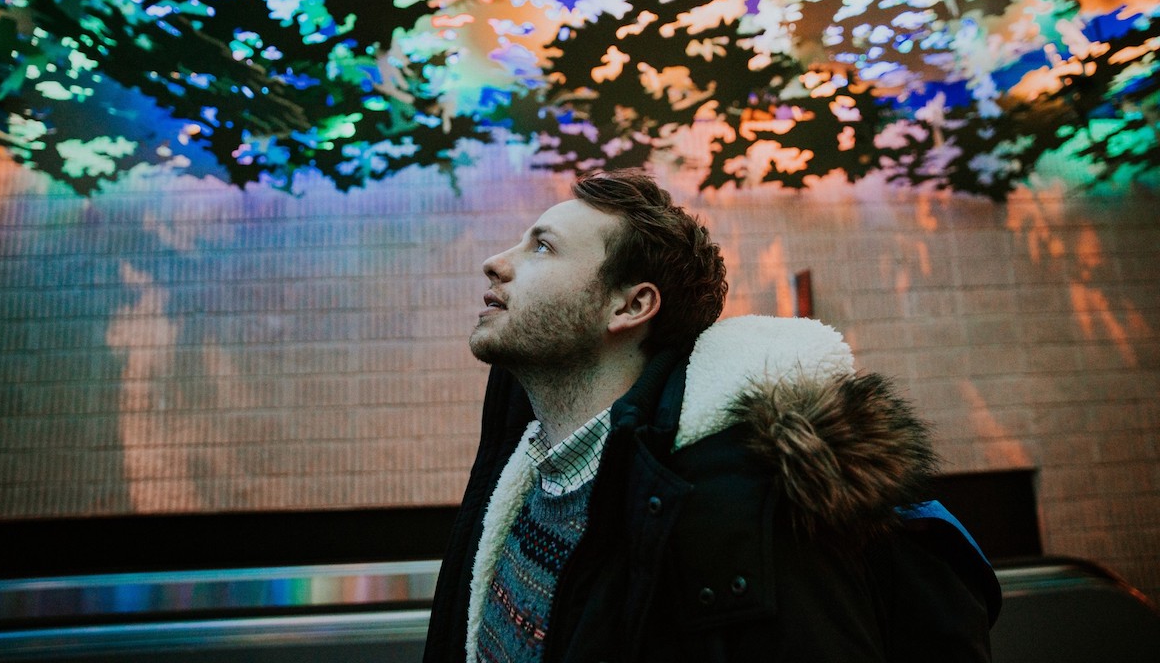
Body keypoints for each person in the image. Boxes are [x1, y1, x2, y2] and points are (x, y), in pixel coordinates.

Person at [423, 169, 1001, 663]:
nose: (494, 263)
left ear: (631, 305)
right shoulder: (520, 481)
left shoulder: (748, 516)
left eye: (542, 247)